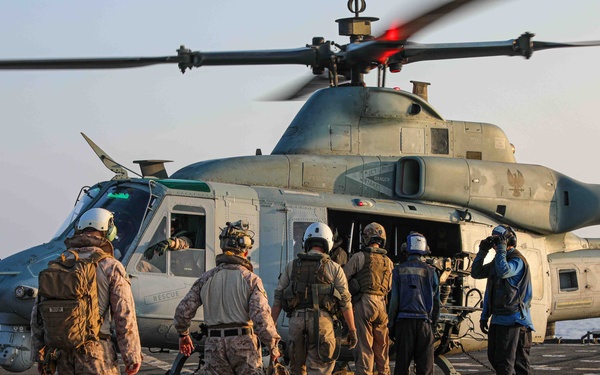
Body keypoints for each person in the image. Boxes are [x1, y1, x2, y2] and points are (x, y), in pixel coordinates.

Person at [31, 207, 142, 375]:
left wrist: (41, 355)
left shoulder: (58, 263)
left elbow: (38, 314)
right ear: (109, 231)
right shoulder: (110, 266)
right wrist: (132, 356)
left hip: (62, 354)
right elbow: (124, 314)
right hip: (96, 352)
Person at [173, 220, 281, 374]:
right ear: (245, 250)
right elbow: (261, 317)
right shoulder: (251, 280)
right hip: (243, 345)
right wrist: (273, 346)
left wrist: (183, 334)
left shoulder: (205, 279)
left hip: (214, 345)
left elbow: (182, 312)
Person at [271, 222, 358, 375]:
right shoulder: (334, 268)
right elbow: (345, 301)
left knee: (296, 369)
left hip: (296, 322)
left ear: (306, 241)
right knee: (320, 369)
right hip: (322, 323)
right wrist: (352, 330)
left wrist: (271, 328)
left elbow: (278, 296)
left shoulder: (292, 266)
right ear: (328, 242)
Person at [471, 224, 534, 375]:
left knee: (507, 364)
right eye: (494, 242)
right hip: (499, 319)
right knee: (496, 358)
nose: (495, 245)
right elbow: (476, 272)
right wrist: (482, 251)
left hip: (513, 320)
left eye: (499, 241)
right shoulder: (498, 261)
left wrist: (501, 249)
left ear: (509, 240)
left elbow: (504, 271)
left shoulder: (517, 261)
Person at [343, 222, 393, 375]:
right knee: (382, 348)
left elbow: (343, 278)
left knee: (364, 347)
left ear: (366, 238)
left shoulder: (359, 257)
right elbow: (389, 286)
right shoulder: (388, 262)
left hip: (365, 303)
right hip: (382, 305)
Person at [388, 232, 440, 375]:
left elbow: (394, 301)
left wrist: (391, 325)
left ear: (406, 248)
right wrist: (433, 325)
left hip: (404, 324)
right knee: (425, 368)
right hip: (425, 324)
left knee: (402, 366)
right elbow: (437, 302)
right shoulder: (431, 271)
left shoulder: (398, 270)